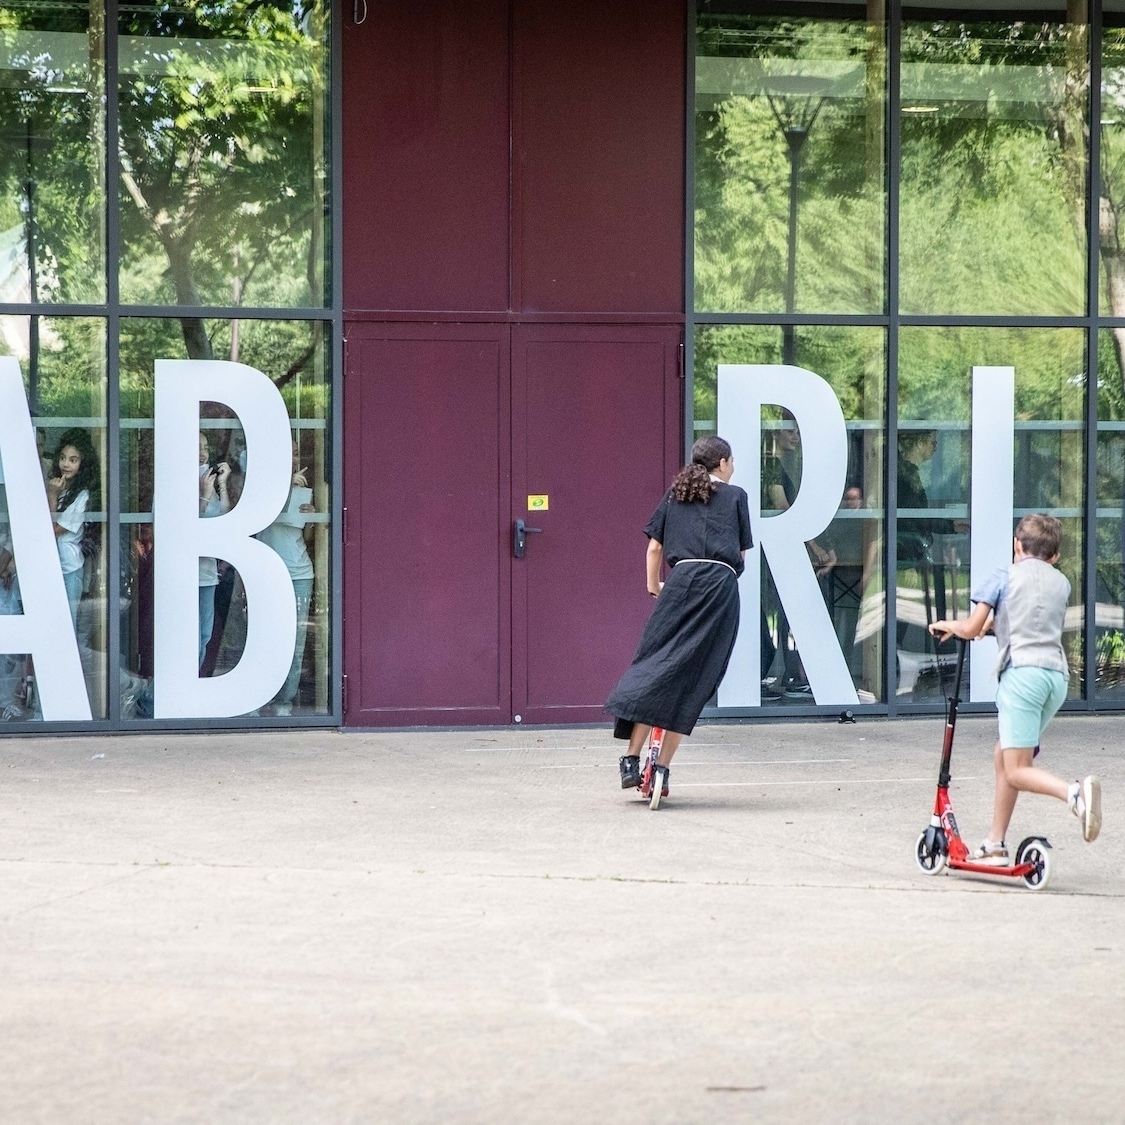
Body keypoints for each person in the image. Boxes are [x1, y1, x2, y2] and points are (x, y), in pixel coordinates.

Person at [928, 513, 1101, 859]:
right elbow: (1025, 618)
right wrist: (987, 627)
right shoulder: (1061, 582)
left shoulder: (1003, 576)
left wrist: (948, 624)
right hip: (1055, 678)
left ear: (1016, 545)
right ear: (1055, 556)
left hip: (1023, 677)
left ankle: (1074, 794)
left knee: (1017, 769)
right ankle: (995, 843)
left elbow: (971, 627)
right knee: (1003, 755)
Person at [606, 435, 753, 802]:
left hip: (681, 582)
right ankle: (662, 768)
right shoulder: (736, 497)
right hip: (719, 587)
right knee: (696, 679)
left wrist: (654, 586)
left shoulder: (677, 494)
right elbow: (741, 557)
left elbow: (654, 547)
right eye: (732, 461)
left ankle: (630, 759)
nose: (733, 467)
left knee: (655, 663)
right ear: (722, 463)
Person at [256, 439, 316, 716]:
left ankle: (284, 701)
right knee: (264, 635)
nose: (293, 458)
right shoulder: (259, 487)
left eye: (296, 453)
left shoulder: (302, 489)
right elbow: (260, 518)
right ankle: (258, 697)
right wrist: (285, 488)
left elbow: (308, 538)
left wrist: (312, 517)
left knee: (295, 639)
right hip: (267, 569)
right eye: (288, 453)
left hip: (299, 572)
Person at [46, 428, 99, 630]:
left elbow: (52, 531)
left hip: (69, 568)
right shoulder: (58, 486)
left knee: (67, 625)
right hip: (50, 564)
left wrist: (52, 495)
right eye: (62, 458)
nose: (66, 464)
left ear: (82, 464)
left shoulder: (82, 495)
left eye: (73, 460)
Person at [198, 431, 232, 669]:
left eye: (205, 447)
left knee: (204, 635)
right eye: (195, 447)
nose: (202, 453)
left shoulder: (208, 480)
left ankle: (195, 678)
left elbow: (226, 520)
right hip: (186, 573)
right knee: (188, 635)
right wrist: (204, 496)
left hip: (207, 574)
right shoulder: (174, 483)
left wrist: (222, 484)